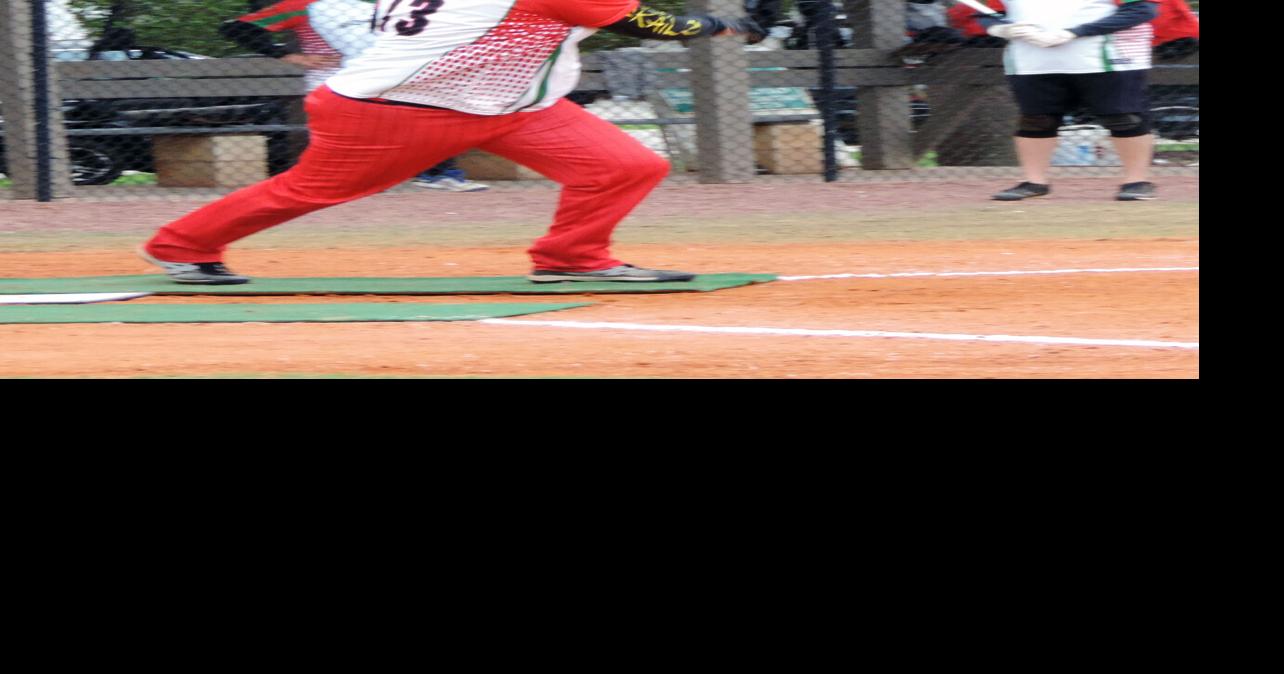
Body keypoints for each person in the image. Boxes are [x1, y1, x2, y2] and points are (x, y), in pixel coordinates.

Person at [138, 1, 764, 285]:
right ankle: (182, 246)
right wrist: (715, 24)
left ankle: (571, 259)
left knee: (627, 164)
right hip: (392, 111)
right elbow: (643, 21)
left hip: (512, 107)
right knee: (312, 191)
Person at [219, 0, 490, 192]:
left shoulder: (365, 6)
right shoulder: (300, 5)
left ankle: (437, 174)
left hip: (379, 75)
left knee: (426, 116)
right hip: (332, 82)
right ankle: (341, 182)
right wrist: (291, 56)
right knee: (347, 136)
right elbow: (236, 28)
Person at [974, 0, 1162, 201]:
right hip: (1032, 59)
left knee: (1124, 118)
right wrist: (1001, 28)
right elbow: (987, 13)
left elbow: (1141, 10)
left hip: (1106, 57)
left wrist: (1073, 32)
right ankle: (1034, 182)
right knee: (1036, 120)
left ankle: (1137, 181)